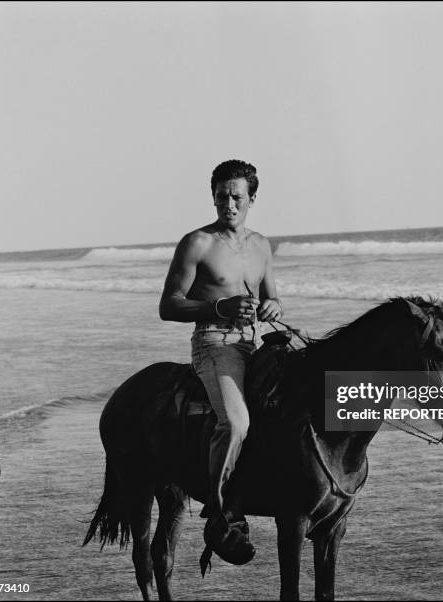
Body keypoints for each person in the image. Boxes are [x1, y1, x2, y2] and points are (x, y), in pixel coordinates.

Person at [159, 159, 283, 564]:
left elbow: (273, 296)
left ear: (252, 200)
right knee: (237, 422)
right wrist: (221, 306)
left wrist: (272, 307)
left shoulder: (262, 244)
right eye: (221, 196)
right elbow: (168, 306)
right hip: (214, 344)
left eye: (237, 197)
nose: (228, 203)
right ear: (212, 196)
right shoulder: (196, 243)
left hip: (255, 341)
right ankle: (220, 508)